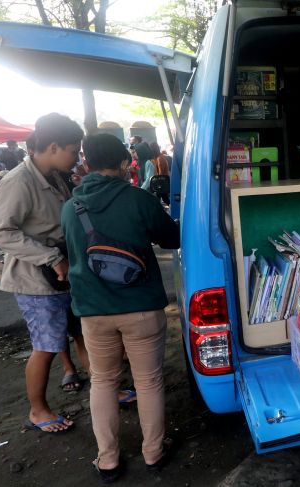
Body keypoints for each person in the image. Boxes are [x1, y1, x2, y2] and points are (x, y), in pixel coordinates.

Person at [61, 133, 180, 482]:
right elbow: (171, 238)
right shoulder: (139, 200)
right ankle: (154, 452)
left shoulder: (71, 207)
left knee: (102, 381)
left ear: (86, 162)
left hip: (93, 310)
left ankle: (109, 459)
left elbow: (73, 253)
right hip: (141, 307)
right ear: (124, 161)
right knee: (148, 381)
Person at [0, 113, 88, 433]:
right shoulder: (18, 181)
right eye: (73, 150)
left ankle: (107, 388)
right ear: (54, 146)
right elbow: (0, 232)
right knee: (46, 345)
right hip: (37, 282)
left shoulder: (56, 175)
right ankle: (38, 410)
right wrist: (48, 256)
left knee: (83, 333)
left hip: (66, 273)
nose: (76, 156)